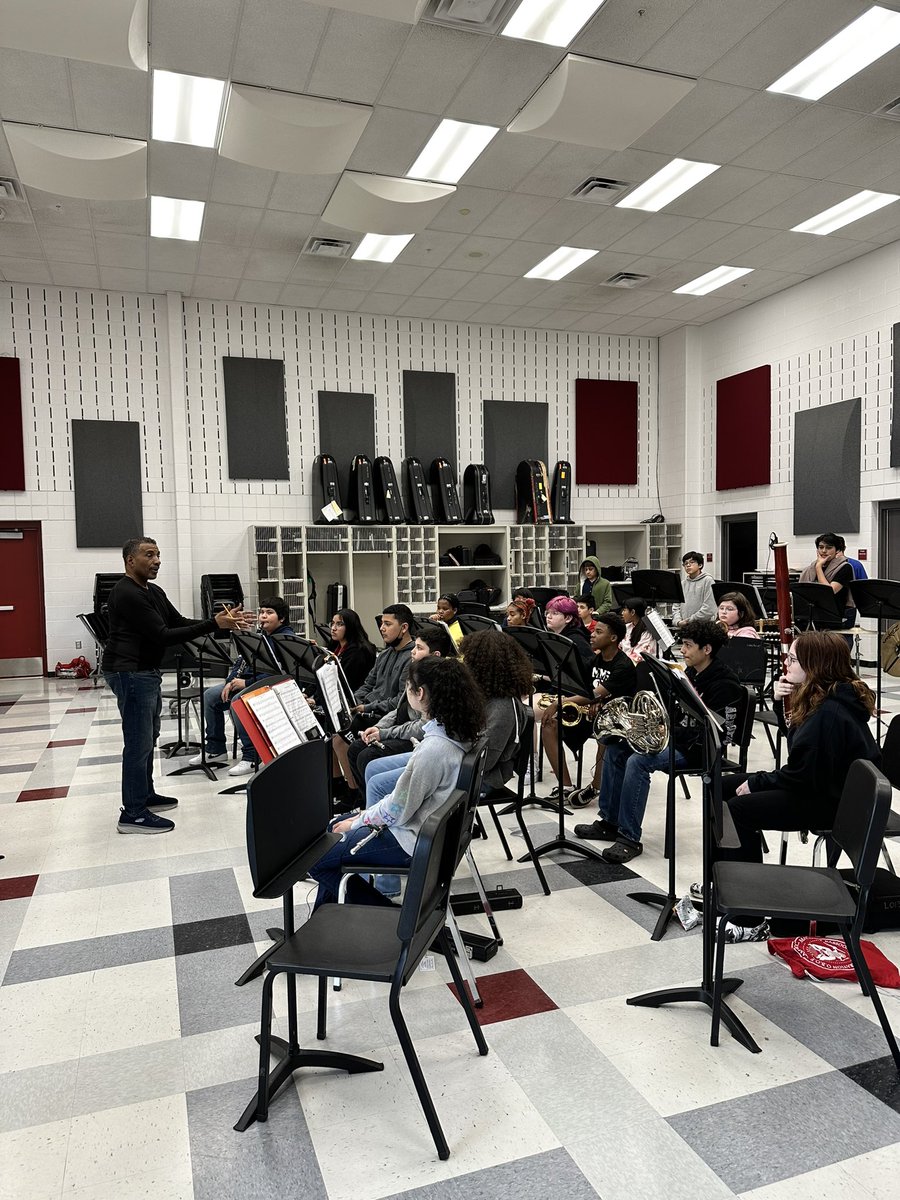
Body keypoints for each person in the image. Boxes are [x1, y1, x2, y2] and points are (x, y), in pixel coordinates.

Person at [712, 632, 879, 940]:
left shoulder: (830, 713)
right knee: (719, 787)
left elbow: (800, 774)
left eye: (791, 659)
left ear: (815, 665)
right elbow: (799, 747)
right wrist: (780, 703)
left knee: (738, 810)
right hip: (820, 787)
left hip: (830, 803)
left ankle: (749, 916)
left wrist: (757, 783)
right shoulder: (825, 696)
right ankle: (722, 882)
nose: (784, 664)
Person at [102, 537, 253, 833]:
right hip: (129, 672)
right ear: (130, 560)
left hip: (145, 671)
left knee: (149, 736)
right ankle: (132, 813)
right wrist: (214, 625)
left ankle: (145, 795)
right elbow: (163, 634)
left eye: (158, 554)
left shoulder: (153, 591)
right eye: (149, 555)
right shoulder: (127, 593)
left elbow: (179, 620)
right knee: (137, 742)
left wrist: (217, 620)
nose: (157, 560)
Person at [309, 656, 484, 908]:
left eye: (409, 687)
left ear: (420, 693)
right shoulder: (459, 731)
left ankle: (381, 913)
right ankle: (324, 922)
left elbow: (398, 809)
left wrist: (358, 820)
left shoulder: (435, 749)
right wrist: (361, 817)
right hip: (428, 834)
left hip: (412, 841)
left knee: (317, 856)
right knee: (333, 828)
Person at [576, 618, 742, 865]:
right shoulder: (689, 674)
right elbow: (673, 712)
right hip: (676, 739)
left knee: (638, 761)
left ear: (706, 649)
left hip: (699, 749)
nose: (682, 650)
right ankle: (609, 821)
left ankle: (629, 837)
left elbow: (721, 734)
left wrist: (665, 731)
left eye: (687, 645)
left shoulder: (724, 683)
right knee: (616, 745)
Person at [347, 622, 457, 796]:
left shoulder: (438, 682)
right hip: (403, 729)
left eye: (419, 648)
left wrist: (385, 734)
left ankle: (380, 802)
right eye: (414, 646)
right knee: (355, 748)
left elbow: (422, 727)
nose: (413, 651)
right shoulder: (415, 671)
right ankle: (365, 801)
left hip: (418, 739)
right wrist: (380, 727)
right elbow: (399, 709)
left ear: (436, 655)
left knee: (367, 755)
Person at [189, 596, 293, 778]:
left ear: (282, 618)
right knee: (210, 696)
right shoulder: (260, 637)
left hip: (270, 688)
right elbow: (240, 663)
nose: (263, 616)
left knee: (239, 701)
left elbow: (278, 673)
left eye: (269, 613)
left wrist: (245, 684)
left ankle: (252, 755)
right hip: (248, 683)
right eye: (262, 612)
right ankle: (215, 748)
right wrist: (230, 682)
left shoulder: (286, 639)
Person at [540, 612, 636, 794]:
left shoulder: (623, 666)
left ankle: (597, 787)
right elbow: (581, 689)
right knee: (548, 724)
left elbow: (593, 694)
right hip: (589, 713)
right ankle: (566, 786)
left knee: (605, 732)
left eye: (598, 632)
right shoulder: (595, 660)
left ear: (613, 638)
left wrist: (560, 702)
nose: (592, 634)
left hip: (616, 721)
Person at [331, 604, 415, 804]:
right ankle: (339, 788)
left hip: (384, 717)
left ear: (403, 628)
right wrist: (353, 702)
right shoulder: (385, 654)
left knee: (339, 739)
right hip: (367, 711)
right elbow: (367, 684)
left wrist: (365, 708)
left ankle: (355, 795)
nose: (382, 628)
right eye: (381, 624)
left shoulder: (410, 658)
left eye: (387, 624)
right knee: (330, 733)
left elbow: (399, 701)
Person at [459, 629, 533, 792]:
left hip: (480, 777)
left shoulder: (502, 708)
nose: (464, 665)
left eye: (468, 660)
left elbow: (484, 761)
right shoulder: (483, 694)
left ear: (479, 666)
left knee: (395, 781)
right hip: (458, 763)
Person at [798, 533, 854, 629]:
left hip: (835, 620)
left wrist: (819, 567)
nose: (824, 551)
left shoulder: (845, 567)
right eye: (821, 547)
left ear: (837, 550)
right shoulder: (810, 568)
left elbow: (829, 592)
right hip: (812, 617)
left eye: (829, 548)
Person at [327, 607, 376, 691]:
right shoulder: (335, 645)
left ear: (350, 627)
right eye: (332, 623)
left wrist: (315, 699)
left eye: (339, 624)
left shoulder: (358, 652)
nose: (333, 628)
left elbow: (343, 682)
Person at [673, 551, 717, 627]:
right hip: (684, 626)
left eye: (692, 562)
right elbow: (676, 606)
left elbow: (709, 608)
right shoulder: (682, 584)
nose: (688, 565)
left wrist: (690, 620)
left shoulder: (708, 581)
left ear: (700, 565)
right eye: (685, 563)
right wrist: (678, 621)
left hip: (703, 627)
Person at [621, 598, 658, 662]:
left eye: (624, 610)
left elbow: (640, 657)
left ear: (632, 612)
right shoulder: (626, 627)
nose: (622, 613)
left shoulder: (647, 632)